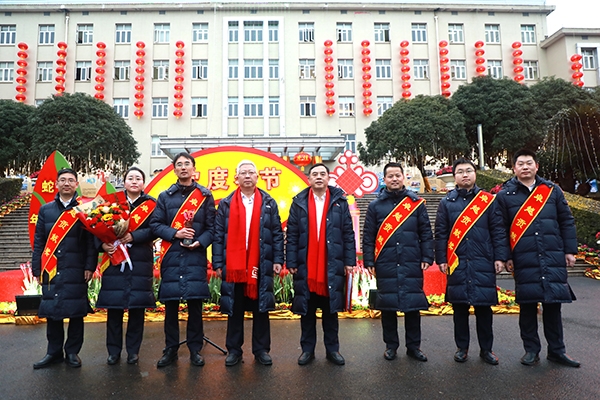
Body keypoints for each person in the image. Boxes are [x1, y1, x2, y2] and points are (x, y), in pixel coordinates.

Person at [496, 149, 580, 367]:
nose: (525, 167)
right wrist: (505, 256)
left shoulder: (551, 191)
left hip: (552, 255)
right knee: (527, 307)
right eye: (520, 164)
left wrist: (569, 251)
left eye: (529, 163)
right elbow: (500, 228)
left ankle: (557, 351)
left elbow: (566, 221)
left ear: (536, 166)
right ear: (514, 168)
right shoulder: (505, 195)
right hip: (523, 259)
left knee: (553, 307)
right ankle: (531, 350)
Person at [434, 158, 508, 365]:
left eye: (468, 170)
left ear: (475, 174)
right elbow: (441, 234)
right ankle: (462, 348)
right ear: (454, 176)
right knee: (459, 309)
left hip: (483, 261)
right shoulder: (446, 203)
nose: (465, 175)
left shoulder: (488, 201)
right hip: (457, 263)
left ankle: (486, 350)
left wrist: (500, 257)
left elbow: (498, 230)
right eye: (460, 172)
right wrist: (442, 259)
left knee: (484, 309)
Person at [213, 160, 284, 367]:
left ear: (257, 177)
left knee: (260, 308)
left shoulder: (268, 202)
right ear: (236, 178)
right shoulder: (226, 203)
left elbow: (277, 233)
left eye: (251, 172)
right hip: (234, 265)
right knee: (235, 308)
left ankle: (261, 350)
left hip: (259, 263)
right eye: (243, 172)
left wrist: (278, 259)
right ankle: (234, 350)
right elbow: (218, 235)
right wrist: (218, 262)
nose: (247, 176)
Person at [363, 162, 434, 362]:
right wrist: (369, 261)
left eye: (397, 175)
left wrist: (427, 256)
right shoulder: (375, 206)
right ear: (384, 179)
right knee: (387, 306)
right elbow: (368, 237)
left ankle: (413, 346)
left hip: (411, 260)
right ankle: (391, 346)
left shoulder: (416, 203)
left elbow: (426, 233)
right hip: (385, 261)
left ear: (403, 177)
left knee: (413, 306)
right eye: (390, 176)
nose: (394, 179)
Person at [286, 163, 356, 366]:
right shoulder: (299, 203)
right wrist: (291, 260)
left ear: (328, 178)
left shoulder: (339, 202)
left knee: (330, 311)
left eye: (322, 174)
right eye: (314, 174)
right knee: (307, 311)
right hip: (306, 265)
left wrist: (349, 261)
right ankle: (307, 350)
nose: (318, 177)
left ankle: (333, 350)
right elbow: (292, 235)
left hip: (331, 265)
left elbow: (348, 233)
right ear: (309, 179)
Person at [150, 152, 215, 368]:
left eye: (187, 164)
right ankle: (171, 349)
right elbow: (155, 225)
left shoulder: (204, 196)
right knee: (171, 307)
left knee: (195, 306)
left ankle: (195, 350)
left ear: (194, 169)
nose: (184, 167)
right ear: (174, 169)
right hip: (171, 256)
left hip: (195, 256)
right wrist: (175, 233)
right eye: (179, 164)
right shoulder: (164, 197)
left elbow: (212, 228)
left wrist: (200, 242)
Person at [32, 168, 96, 369]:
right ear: (56, 184)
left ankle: (72, 352)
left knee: (76, 312)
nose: (66, 183)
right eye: (62, 180)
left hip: (76, 267)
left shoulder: (85, 208)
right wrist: (37, 269)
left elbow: (90, 241)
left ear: (76, 184)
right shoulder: (46, 210)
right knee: (53, 311)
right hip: (51, 268)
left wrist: (89, 266)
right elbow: (39, 241)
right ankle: (53, 352)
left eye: (70, 180)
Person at [97, 167, 157, 365]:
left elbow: (156, 229)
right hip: (114, 260)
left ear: (143, 183)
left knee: (137, 309)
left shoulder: (151, 204)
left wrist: (134, 236)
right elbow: (94, 227)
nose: (134, 181)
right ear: (124, 182)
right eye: (130, 178)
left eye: (138, 178)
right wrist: (102, 245)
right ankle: (113, 352)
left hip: (140, 260)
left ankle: (133, 351)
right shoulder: (111, 203)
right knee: (114, 309)